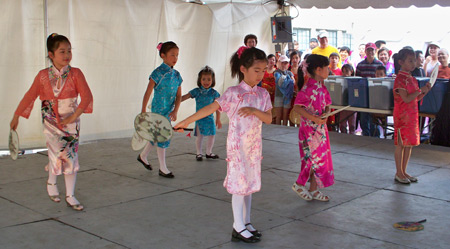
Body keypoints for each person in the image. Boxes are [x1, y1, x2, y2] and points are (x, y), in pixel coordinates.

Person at [174, 47, 272, 243]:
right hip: (237, 149)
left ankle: (246, 221)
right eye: (256, 70)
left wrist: (253, 110)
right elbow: (211, 107)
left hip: (253, 149)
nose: (260, 75)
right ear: (243, 69)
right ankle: (237, 226)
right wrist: (187, 121)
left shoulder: (263, 94)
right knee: (238, 186)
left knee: (249, 186)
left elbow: (269, 118)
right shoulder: (233, 93)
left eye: (264, 70)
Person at [10, 33, 93, 211]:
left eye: (69, 51)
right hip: (50, 119)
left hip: (71, 121)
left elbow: (86, 96)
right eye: (62, 51)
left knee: (70, 155)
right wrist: (17, 115)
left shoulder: (76, 73)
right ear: (51, 54)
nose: (67, 55)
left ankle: (70, 194)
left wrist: (74, 115)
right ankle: (51, 182)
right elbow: (30, 95)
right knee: (55, 151)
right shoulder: (42, 76)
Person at [291, 54, 334, 202]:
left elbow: (328, 104)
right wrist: (315, 118)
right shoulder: (308, 87)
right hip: (309, 131)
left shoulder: (322, 86)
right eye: (327, 68)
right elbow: (297, 107)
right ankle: (299, 183)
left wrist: (326, 114)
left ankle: (314, 189)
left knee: (320, 160)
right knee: (310, 160)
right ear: (318, 69)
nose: (329, 70)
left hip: (320, 131)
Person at [137, 41, 182, 178]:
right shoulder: (157, 73)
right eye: (172, 55)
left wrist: (175, 111)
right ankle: (163, 168)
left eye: (177, 55)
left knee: (156, 136)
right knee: (163, 137)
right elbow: (148, 91)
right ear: (163, 55)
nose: (175, 58)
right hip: (158, 111)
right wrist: (144, 109)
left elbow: (179, 95)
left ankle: (143, 155)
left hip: (169, 111)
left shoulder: (177, 75)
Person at [393, 48, 431, 184]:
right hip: (402, 116)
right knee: (401, 144)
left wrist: (425, 91)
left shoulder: (412, 79)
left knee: (409, 145)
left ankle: (404, 171)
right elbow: (407, 98)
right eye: (410, 60)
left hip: (412, 115)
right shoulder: (399, 80)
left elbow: (416, 97)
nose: (413, 63)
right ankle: (399, 172)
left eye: (414, 60)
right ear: (401, 62)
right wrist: (421, 90)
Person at [181, 66, 221, 161]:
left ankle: (208, 152)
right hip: (199, 118)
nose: (206, 82)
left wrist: (218, 119)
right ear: (200, 80)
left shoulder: (214, 93)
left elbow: (218, 107)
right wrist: (175, 101)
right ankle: (199, 153)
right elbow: (185, 97)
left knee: (212, 135)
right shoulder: (197, 91)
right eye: (203, 79)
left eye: (208, 79)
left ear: (212, 80)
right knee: (200, 136)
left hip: (210, 118)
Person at [356, 42, 384, 137]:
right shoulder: (360, 65)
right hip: (364, 94)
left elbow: (383, 79)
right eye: (368, 50)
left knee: (374, 117)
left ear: (375, 51)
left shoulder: (379, 64)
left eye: (372, 50)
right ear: (365, 51)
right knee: (363, 117)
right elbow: (357, 80)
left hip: (375, 94)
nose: (370, 52)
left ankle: (375, 136)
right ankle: (365, 136)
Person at [274, 55, 294, 126]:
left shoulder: (289, 72)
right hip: (278, 96)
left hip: (287, 97)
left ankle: (284, 131)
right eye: (282, 62)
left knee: (285, 116)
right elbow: (279, 82)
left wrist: (287, 80)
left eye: (285, 63)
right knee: (278, 116)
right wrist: (288, 80)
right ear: (279, 63)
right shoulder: (276, 72)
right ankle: (277, 131)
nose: (284, 64)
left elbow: (293, 81)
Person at [339, 64, 357, 134]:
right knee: (342, 125)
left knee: (352, 125)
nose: (345, 74)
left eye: (347, 71)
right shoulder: (340, 81)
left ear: (351, 71)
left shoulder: (356, 81)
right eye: (343, 72)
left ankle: (352, 138)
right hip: (342, 106)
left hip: (352, 107)